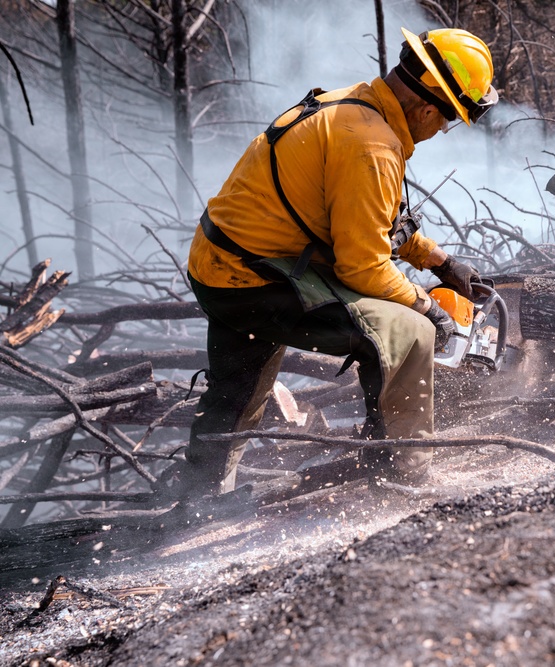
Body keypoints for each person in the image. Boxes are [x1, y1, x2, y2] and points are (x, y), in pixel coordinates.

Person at [161, 27, 498, 499]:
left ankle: (198, 500)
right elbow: (363, 268)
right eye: (447, 120)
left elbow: (378, 220)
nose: (441, 130)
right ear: (427, 108)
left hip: (222, 262)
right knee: (407, 334)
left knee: (237, 387)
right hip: (257, 276)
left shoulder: (355, 104)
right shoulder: (371, 146)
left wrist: (440, 262)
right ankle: (400, 476)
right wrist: (428, 309)